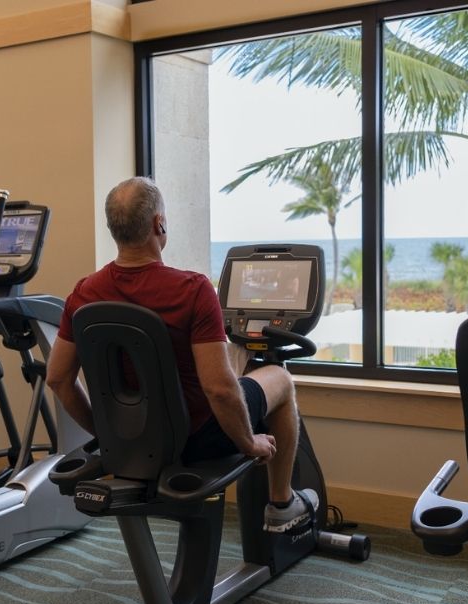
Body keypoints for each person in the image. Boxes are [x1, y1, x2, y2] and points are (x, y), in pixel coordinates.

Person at [45, 176, 316, 534]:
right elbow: (218, 389)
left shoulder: (84, 292)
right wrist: (249, 443)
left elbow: (58, 379)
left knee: (240, 364)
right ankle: (281, 503)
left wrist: (108, 433)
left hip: (135, 436)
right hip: (197, 437)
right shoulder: (193, 289)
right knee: (279, 379)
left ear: (114, 230)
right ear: (160, 224)